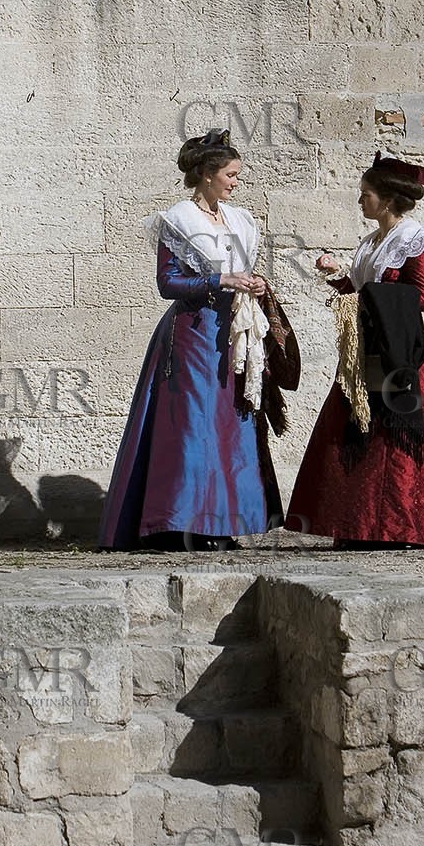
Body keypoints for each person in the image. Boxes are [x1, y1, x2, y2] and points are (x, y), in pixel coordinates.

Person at [98, 130, 283, 551]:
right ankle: (187, 523)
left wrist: (253, 284)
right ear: (205, 174)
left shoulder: (239, 220)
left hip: (235, 332)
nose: (236, 182)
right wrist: (220, 278)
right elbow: (168, 283)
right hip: (195, 335)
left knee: (232, 425)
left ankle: (223, 523)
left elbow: (240, 271)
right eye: (230, 175)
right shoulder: (178, 220)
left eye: (237, 175)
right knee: (195, 425)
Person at [286, 154, 424, 548]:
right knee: (355, 429)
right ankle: (359, 525)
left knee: (393, 435)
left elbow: (422, 296)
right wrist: (340, 279)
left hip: (399, 349)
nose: (359, 201)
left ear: (387, 199)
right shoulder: (371, 243)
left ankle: (401, 527)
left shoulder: (413, 240)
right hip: (366, 348)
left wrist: (367, 295)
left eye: (365, 194)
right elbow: (361, 295)